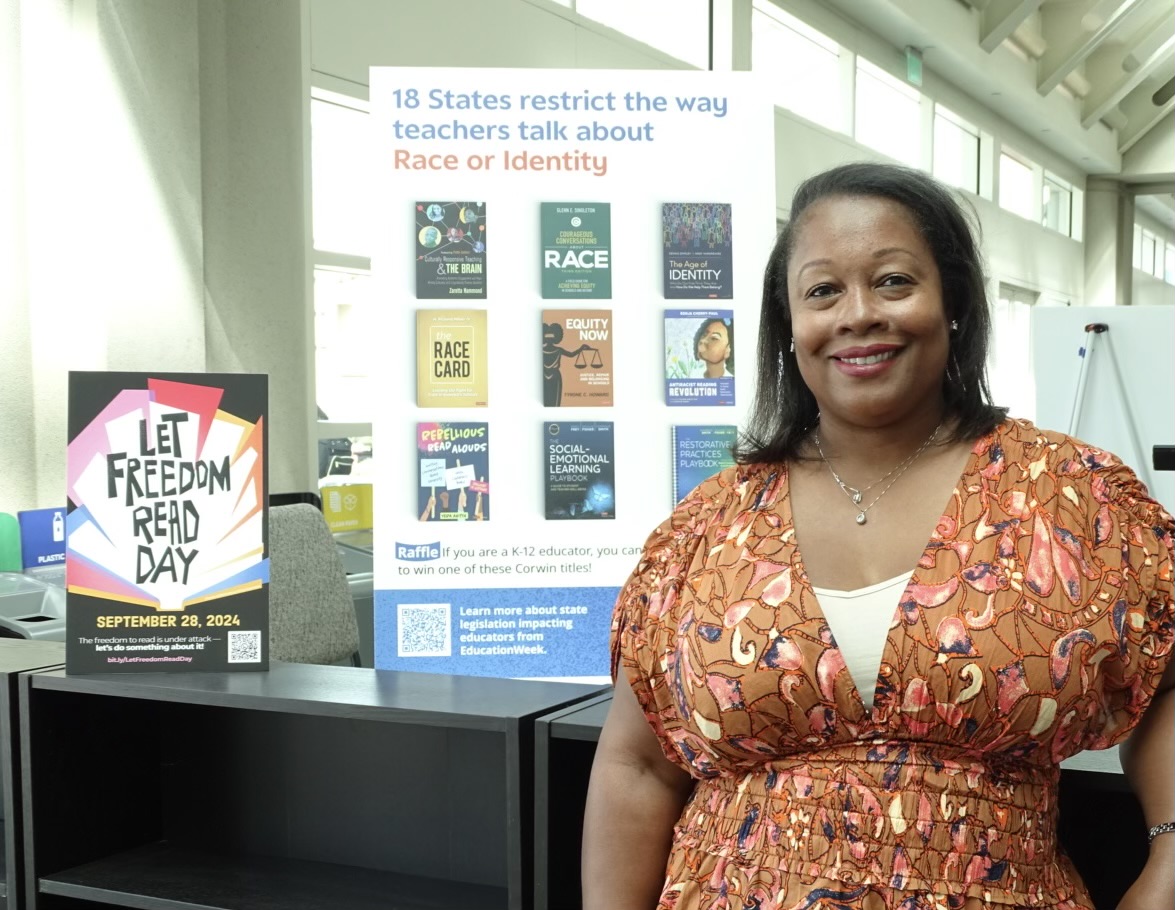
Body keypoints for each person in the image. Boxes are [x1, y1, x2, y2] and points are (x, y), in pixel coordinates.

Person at [583, 162, 1174, 910]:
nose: (857, 314)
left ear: (952, 301)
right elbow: (637, 766)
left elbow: (1166, 675)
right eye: (822, 290)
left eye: (893, 281)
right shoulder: (709, 525)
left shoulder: (1066, 494)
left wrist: (1168, 862)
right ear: (788, 325)